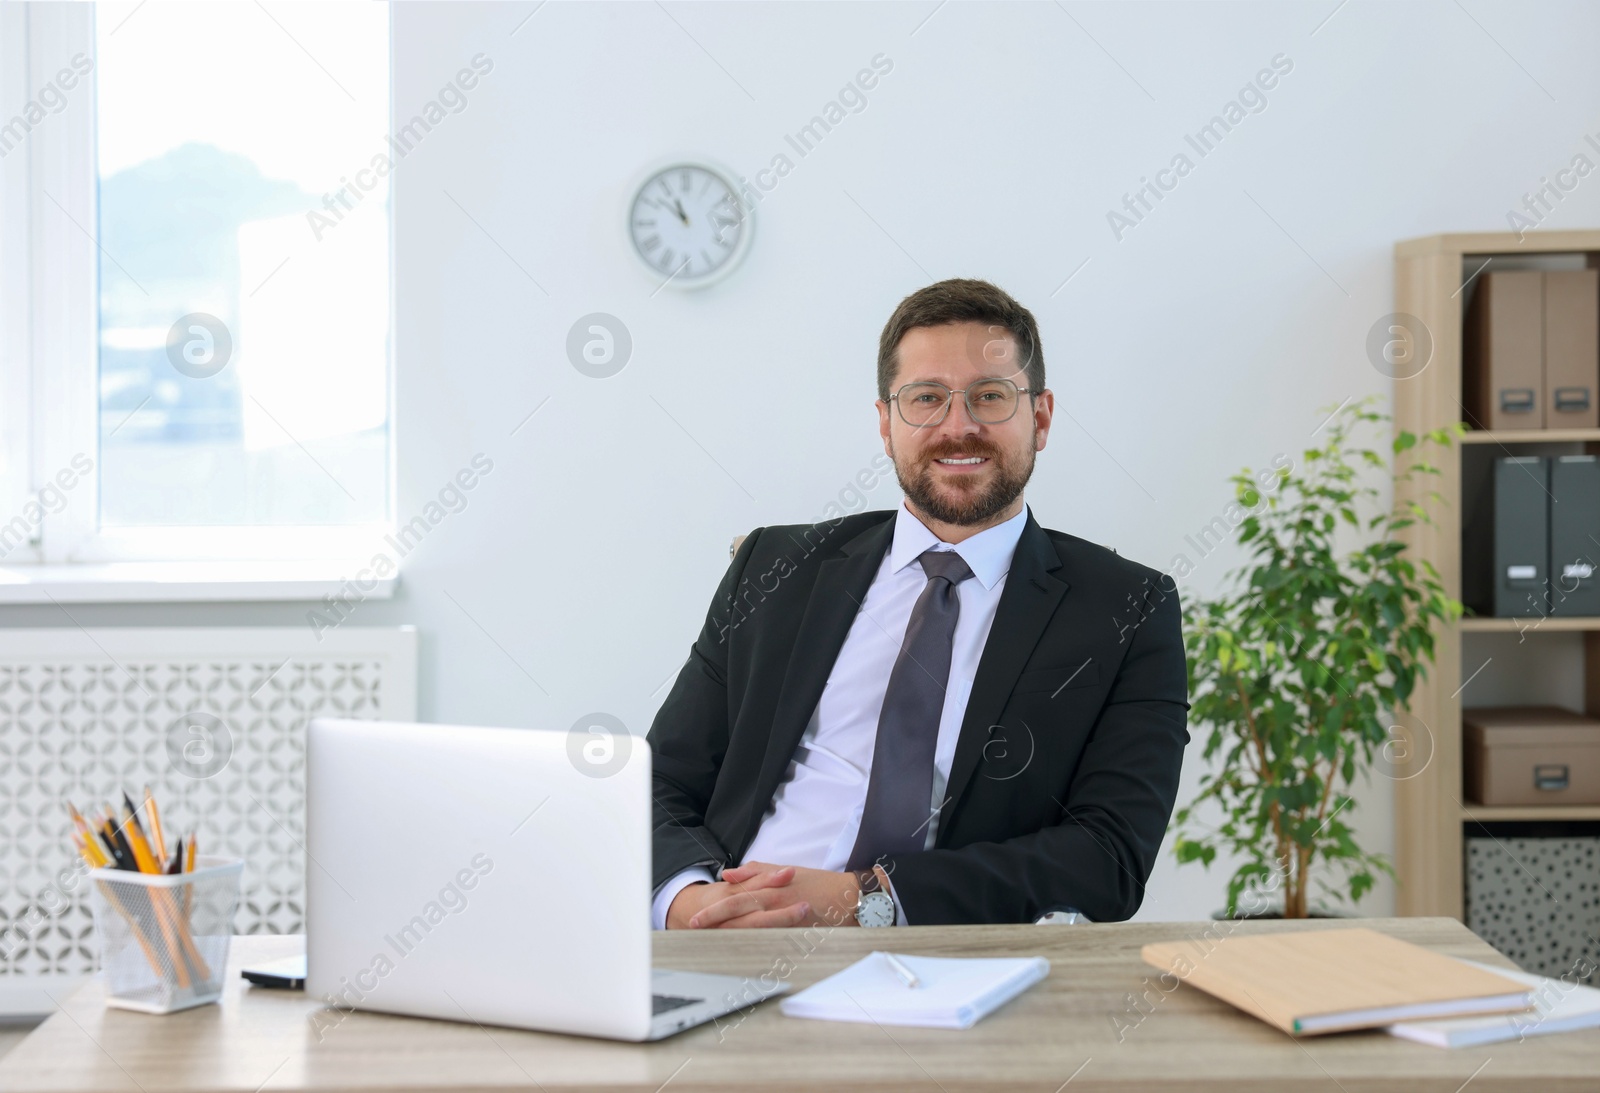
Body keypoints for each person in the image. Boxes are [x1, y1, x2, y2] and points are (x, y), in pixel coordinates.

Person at [647, 277, 1189, 930]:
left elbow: (1109, 855)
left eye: (989, 397)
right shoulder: (776, 567)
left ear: (1040, 418)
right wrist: (688, 901)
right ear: (885, 423)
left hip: (940, 965)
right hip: (727, 936)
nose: (957, 426)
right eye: (926, 398)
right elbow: (658, 783)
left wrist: (864, 899)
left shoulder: (1127, 607)